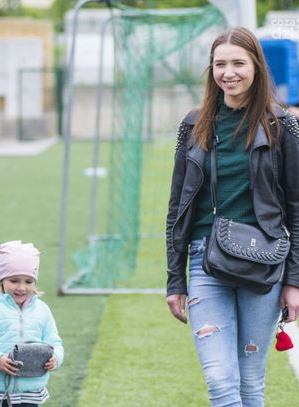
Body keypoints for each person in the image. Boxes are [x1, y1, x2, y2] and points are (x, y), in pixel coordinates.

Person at [165, 26, 299, 406]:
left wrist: (294, 280)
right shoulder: (193, 125)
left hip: (264, 262)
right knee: (221, 380)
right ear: (211, 69)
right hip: (204, 260)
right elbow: (177, 208)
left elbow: (296, 207)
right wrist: (175, 279)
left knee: (251, 382)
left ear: (256, 66)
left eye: (238, 63)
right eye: (220, 64)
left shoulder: (282, 125)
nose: (229, 73)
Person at [0, 241, 64, 407]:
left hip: (31, 393)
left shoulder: (42, 310)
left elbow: (55, 344)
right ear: (2, 280)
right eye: (14, 280)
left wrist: (56, 358)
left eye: (28, 281)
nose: (21, 287)